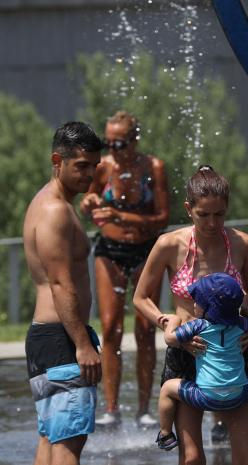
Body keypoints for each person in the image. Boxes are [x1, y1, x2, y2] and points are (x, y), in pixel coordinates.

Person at [133, 165, 248, 465]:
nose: (212, 223)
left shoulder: (242, 244)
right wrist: (168, 326)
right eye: (203, 214)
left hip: (233, 353)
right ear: (188, 209)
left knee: (246, 458)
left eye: (219, 214)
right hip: (187, 353)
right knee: (192, 458)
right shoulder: (169, 244)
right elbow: (140, 298)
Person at [79, 111, 170, 428]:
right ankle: (112, 408)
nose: (113, 150)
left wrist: (121, 217)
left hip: (145, 250)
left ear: (135, 140)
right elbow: (88, 201)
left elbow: (162, 218)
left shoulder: (153, 168)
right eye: (109, 143)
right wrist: (89, 203)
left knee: (145, 329)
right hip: (110, 251)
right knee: (110, 327)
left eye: (119, 143)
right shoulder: (103, 167)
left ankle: (143, 409)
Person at [23, 122, 105, 465]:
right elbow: (59, 283)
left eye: (94, 166)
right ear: (57, 160)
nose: (90, 174)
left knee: (51, 438)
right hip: (62, 339)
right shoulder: (55, 211)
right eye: (81, 166)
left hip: (48, 339)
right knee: (68, 442)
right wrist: (82, 344)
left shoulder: (49, 203)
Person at [155, 273, 248, 451]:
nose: (194, 304)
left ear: (209, 308)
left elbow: (170, 339)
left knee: (167, 388)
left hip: (204, 397)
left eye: (198, 302)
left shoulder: (198, 326)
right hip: (238, 395)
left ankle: (165, 434)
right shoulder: (241, 324)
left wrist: (174, 321)